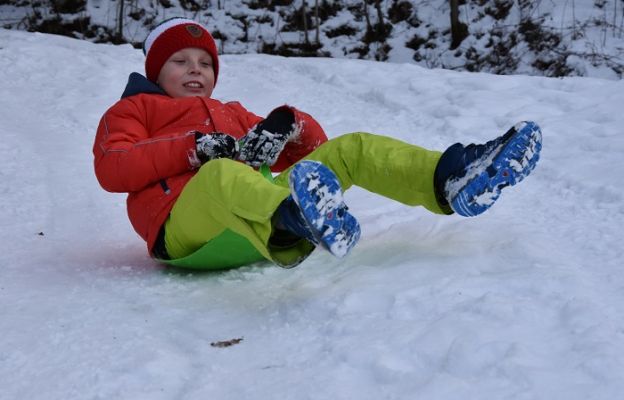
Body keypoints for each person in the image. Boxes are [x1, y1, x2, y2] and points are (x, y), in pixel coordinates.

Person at [93, 18, 542, 270]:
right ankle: (294, 220)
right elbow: (113, 168)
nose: (196, 70)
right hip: (185, 235)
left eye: (205, 63)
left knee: (353, 147)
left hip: (255, 222)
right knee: (219, 174)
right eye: (180, 61)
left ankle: (451, 180)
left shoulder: (231, 112)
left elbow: (316, 159)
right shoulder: (133, 111)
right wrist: (195, 147)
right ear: (155, 71)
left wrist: (288, 125)